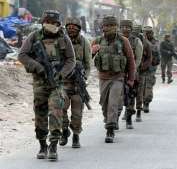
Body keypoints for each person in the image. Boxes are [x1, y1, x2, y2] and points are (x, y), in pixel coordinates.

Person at [18, 10, 76, 161]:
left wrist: (62, 73)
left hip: (57, 83)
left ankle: (53, 145)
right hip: (39, 83)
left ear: (58, 24)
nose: (51, 25)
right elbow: (22, 55)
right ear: (43, 22)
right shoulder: (34, 36)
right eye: (48, 22)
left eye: (54, 23)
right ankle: (42, 145)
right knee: (40, 113)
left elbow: (71, 60)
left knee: (56, 111)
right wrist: (38, 67)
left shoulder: (64, 38)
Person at [91, 16, 136, 143]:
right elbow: (88, 58)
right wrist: (92, 52)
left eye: (111, 25)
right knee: (104, 104)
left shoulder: (123, 41)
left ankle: (110, 130)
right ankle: (109, 121)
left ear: (116, 27)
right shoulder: (97, 41)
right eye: (106, 26)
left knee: (113, 102)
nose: (108, 28)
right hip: (103, 78)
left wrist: (131, 79)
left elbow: (131, 61)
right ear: (102, 27)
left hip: (118, 78)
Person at [59, 17, 91, 148]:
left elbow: (88, 64)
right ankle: (64, 131)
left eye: (74, 27)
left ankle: (76, 136)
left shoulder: (84, 42)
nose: (71, 30)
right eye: (69, 27)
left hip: (78, 85)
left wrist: (84, 77)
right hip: (63, 83)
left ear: (79, 29)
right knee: (60, 109)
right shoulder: (61, 42)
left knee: (77, 114)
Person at [119, 19, 143, 129]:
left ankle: (129, 118)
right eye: (123, 27)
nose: (125, 29)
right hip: (118, 73)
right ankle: (114, 120)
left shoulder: (136, 41)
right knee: (117, 98)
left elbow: (138, 58)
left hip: (131, 74)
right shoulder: (116, 39)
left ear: (131, 29)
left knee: (130, 96)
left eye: (127, 27)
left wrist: (132, 71)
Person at [132, 25, 152, 122]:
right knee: (129, 92)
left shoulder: (146, 43)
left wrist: (143, 67)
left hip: (141, 72)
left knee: (139, 92)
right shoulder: (128, 41)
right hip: (131, 71)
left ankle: (138, 112)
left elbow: (149, 58)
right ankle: (128, 111)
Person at [142, 26, 160, 113]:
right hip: (140, 67)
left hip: (151, 68)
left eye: (149, 32)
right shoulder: (139, 40)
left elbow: (155, 49)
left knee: (148, 85)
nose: (148, 34)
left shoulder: (155, 42)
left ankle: (146, 103)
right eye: (146, 32)